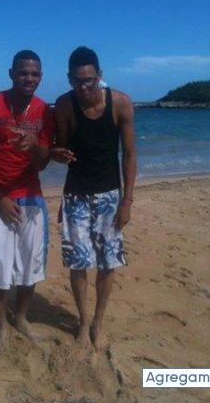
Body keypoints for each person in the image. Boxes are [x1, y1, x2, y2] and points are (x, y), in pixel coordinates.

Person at [51, 46, 136, 350]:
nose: (83, 87)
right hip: (75, 195)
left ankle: (98, 322)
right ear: (69, 79)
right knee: (78, 263)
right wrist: (55, 153)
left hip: (110, 196)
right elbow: (60, 150)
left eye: (88, 80)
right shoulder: (63, 105)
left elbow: (129, 154)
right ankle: (83, 322)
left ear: (99, 75)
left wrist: (127, 202)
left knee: (107, 263)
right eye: (77, 81)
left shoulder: (120, 103)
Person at [0, 50, 54, 352]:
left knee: (30, 261)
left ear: (41, 77)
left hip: (31, 196)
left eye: (35, 74)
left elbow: (43, 163)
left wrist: (34, 147)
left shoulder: (44, 111)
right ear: (11, 74)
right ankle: (1, 326)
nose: (29, 78)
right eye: (23, 73)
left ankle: (20, 317)